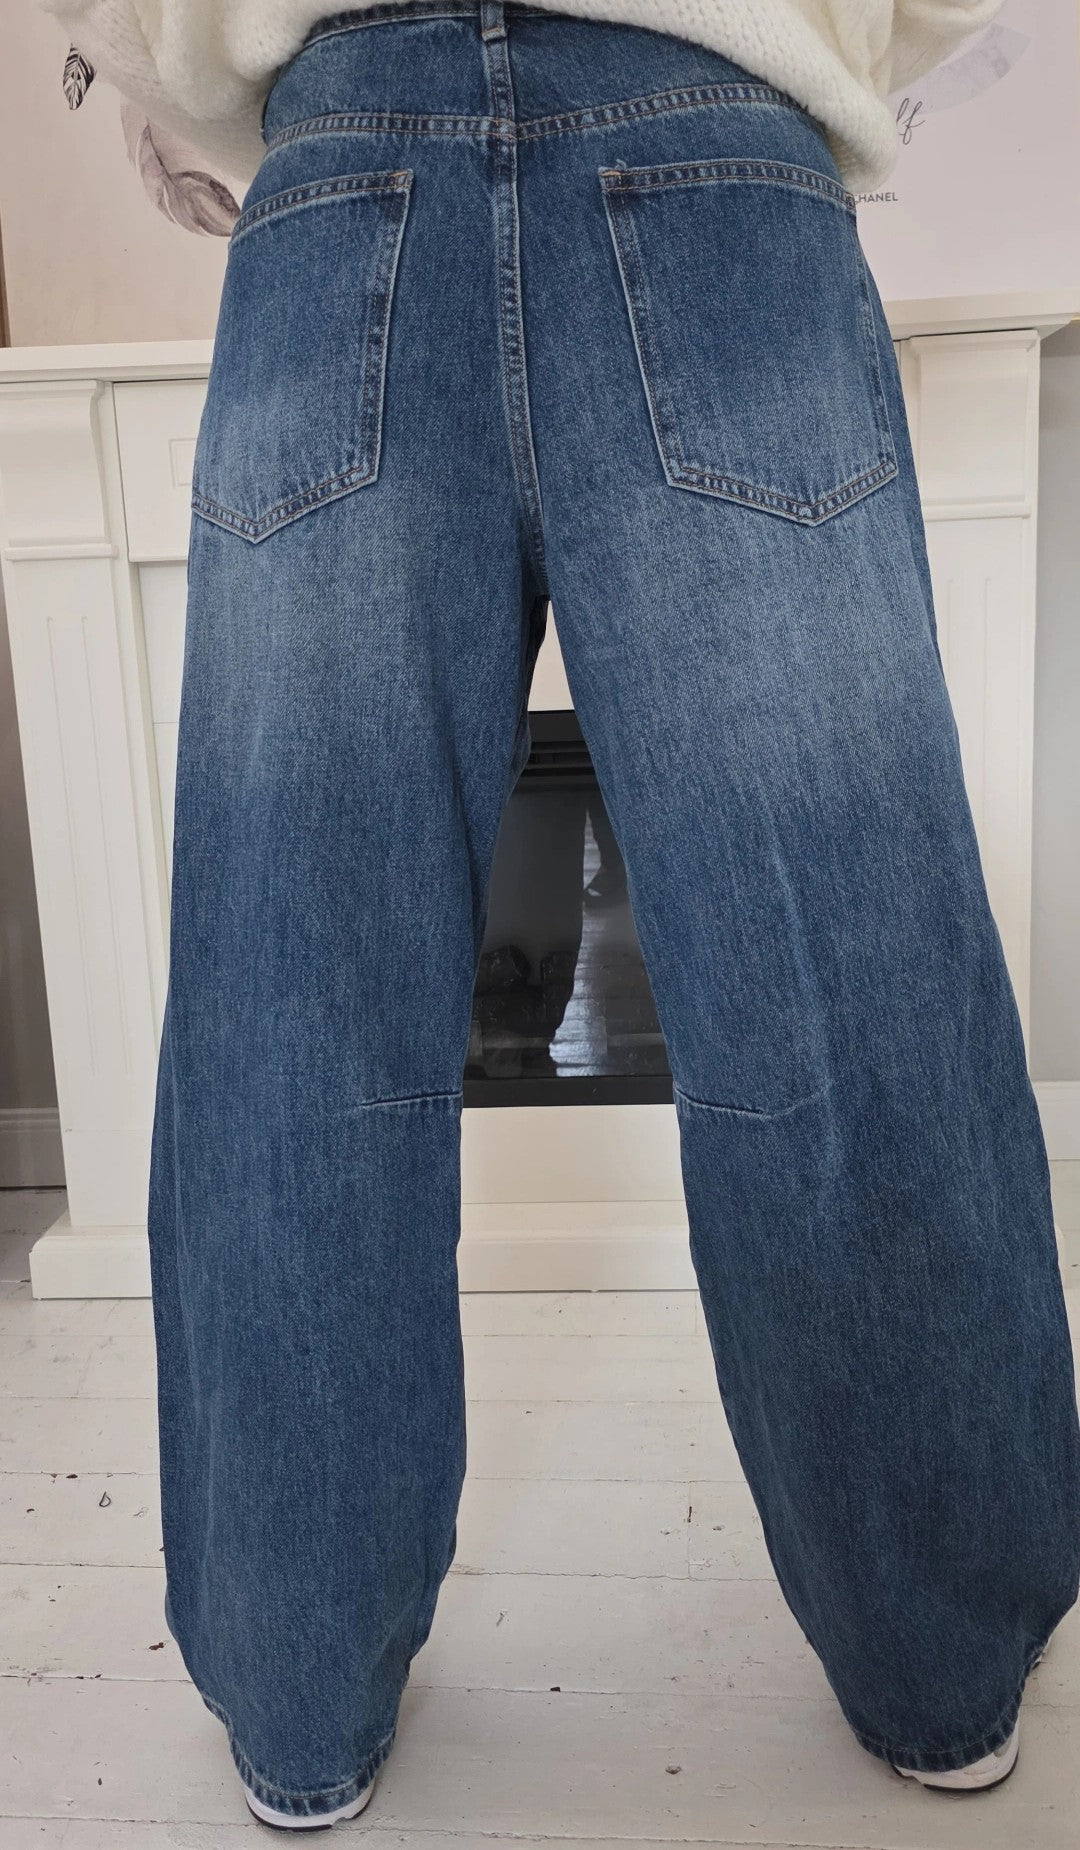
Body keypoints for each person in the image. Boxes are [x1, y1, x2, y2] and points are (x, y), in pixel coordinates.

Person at [37, 0, 1080, 1829]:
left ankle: (299, 1693)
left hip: (343, 181)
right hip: (716, 151)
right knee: (839, 972)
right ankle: (940, 1661)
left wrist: (163, 83)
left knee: (298, 993)